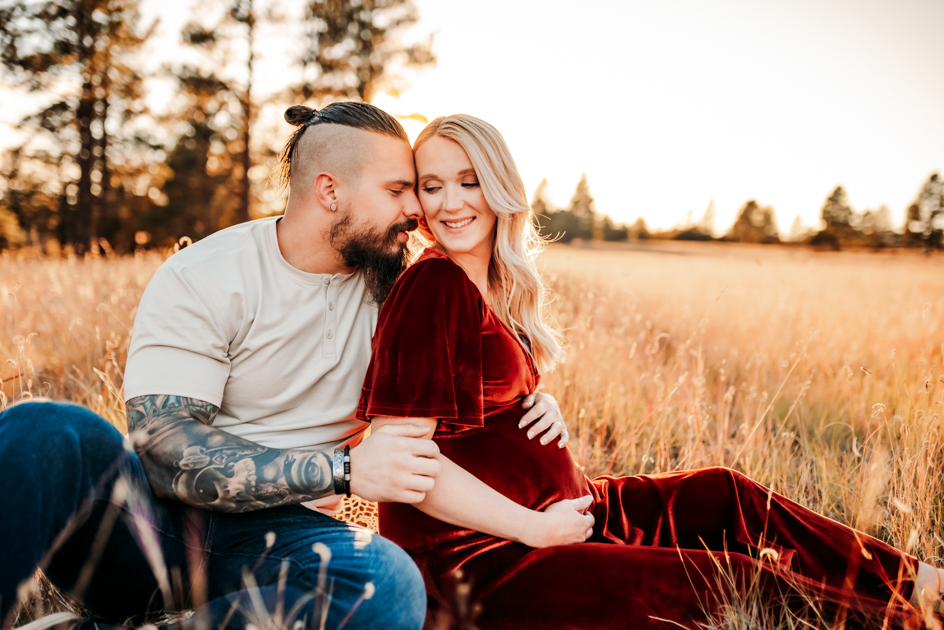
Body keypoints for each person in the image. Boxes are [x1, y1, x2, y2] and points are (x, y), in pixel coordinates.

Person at [356, 113, 944, 629]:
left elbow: (476, 398)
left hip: (574, 511)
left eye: (469, 180)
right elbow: (405, 464)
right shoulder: (433, 283)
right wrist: (532, 529)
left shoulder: (492, 283)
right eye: (432, 186)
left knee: (725, 492)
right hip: (487, 561)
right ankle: (895, 617)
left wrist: (533, 400)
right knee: (736, 583)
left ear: (501, 185)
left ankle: (922, 585)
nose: (451, 202)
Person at [0, 102, 569, 630]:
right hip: (155, 528)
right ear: (329, 191)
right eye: (398, 190)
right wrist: (342, 470)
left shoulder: (403, 283)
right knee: (45, 430)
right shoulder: (207, 273)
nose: (417, 209)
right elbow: (165, 450)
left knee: (388, 583)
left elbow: (469, 358)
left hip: (286, 542)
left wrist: (526, 397)